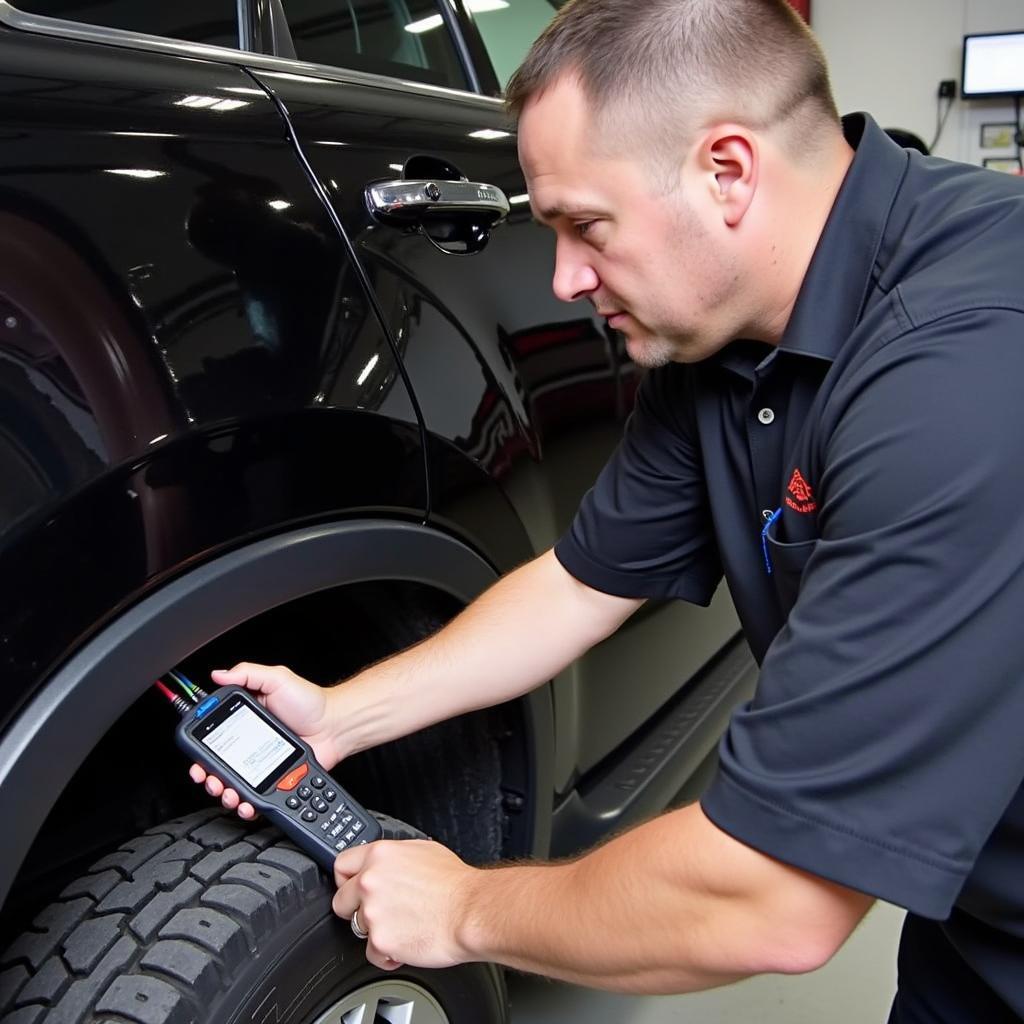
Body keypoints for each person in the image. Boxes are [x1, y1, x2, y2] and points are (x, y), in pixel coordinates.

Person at [191, 1, 1024, 1019]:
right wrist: (338, 716)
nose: (565, 278)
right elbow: (580, 581)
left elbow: (774, 897)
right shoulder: (718, 328)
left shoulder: (966, 373)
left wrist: (461, 908)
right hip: (977, 920)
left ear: (727, 170)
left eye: (585, 225)